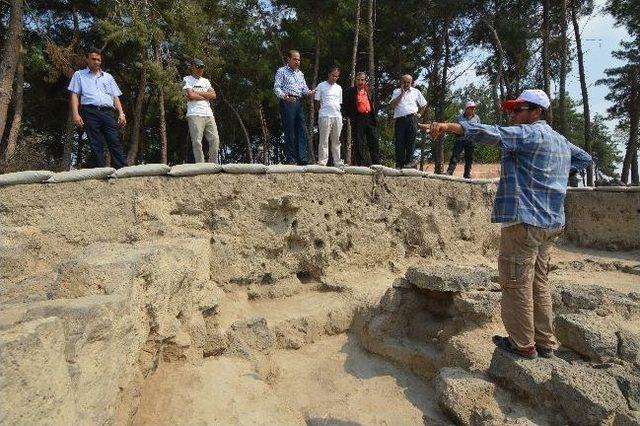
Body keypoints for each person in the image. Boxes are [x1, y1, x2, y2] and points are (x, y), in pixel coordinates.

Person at [422, 89, 592, 360]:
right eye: (511, 110)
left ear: (536, 112)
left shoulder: (529, 134)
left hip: (525, 220)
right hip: (552, 222)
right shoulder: (560, 141)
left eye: (518, 109)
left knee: (516, 283)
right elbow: (584, 159)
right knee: (539, 281)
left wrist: (446, 126)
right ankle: (545, 341)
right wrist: (553, 171)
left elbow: (490, 133)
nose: (512, 114)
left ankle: (522, 345)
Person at [68, 47, 128, 168]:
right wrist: (75, 114)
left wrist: (121, 113)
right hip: (90, 111)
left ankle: (121, 168)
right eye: (93, 59)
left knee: (114, 140)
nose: (96, 62)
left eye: (99, 60)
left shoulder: (108, 77)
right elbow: (74, 94)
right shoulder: (79, 75)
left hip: (108, 112)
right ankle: (99, 170)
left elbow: (115, 96)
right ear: (87, 60)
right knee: (95, 142)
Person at [274, 50, 315, 165]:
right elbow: (276, 87)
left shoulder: (300, 74)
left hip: (298, 102)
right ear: (289, 59)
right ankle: (290, 158)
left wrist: (310, 92)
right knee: (289, 130)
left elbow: (304, 89)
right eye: (295, 59)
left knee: (301, 130)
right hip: (288, 101)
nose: (297, 62)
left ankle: (302, 158)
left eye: (299, 59)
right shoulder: (281, 71)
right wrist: (284, 96)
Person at [183, 59, 220, 163]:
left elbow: (213, 95)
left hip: (208, 114)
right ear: (192, 67)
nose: (200, 69)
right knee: (197, 142)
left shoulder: (206, 81)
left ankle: (213, 164)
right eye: (198, 67)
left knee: (215, 140)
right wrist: (205, 95)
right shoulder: (187, 79)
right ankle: (200, 165)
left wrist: (197, 93)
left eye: (202, 67)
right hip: (194, 114)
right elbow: (190, 95)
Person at [389, 75, 427, 168]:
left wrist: (419, 114)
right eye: (404, 82)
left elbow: (424, 104)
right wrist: (401, 94)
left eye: (408, 82)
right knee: (399, 142)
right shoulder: (396, 92)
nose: (406, 84)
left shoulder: (416, 92)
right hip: (400, 120)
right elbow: (392, 105)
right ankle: (399, 164)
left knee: (411, 141)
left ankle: (408, 163)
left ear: (411, 83)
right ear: (401, 82)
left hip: (412, 119)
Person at [342, 72, 380, 166]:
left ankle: (376, 163)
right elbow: (344, 106)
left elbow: (373, 102)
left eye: (362, 80)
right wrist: (347, 117)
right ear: (355, 81)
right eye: (358, 80)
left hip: (370, 117)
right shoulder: (349, 91)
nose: (360, 82)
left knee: (373, 140)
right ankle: (361, 164)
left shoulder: (369, 90)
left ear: (365, 81)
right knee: (359, 142)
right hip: (358, 118)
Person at [314, 67, 344, 167]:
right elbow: (317, 101)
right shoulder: (321, 86)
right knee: (324, 140)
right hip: (325, 116)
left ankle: (338, 162)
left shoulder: (339, 88)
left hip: (337, 116)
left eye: (336, 76)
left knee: (336, 140)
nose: (334, 78)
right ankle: (322, 162)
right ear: (329, 74)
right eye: (333, 75)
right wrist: (321, 112)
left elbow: (339, 103)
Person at [446, 100, 480, 178]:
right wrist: (457, 135)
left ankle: (467, 174)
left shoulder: (477, 118)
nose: (473, 109)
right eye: (471, 108)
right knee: (455, 156)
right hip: (460, 140)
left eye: (473, 108)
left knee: (469, 158)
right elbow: (453, 128)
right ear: (466, 108)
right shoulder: (458, 118)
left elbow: (479, 129)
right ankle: (449, 172)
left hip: (471, 141)